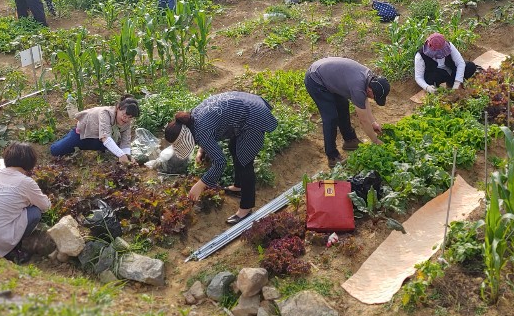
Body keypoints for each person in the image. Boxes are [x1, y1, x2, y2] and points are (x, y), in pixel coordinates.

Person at [164, 91, 278, 225]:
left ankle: (246, 209)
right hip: (248, 105)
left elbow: (220, 163)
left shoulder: (201, 131)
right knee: (233, 147)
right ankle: (238, 186)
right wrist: (202, 150)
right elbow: (208, 131)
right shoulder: (191, 119)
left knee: (244, 162)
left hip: (253, 117)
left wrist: (200, 185)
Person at [304, 57, 390, 168]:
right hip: (315, 79)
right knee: (331, 117)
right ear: (370, 90)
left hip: (329, 77)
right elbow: (363, 120)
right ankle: (332, 156)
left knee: (343, 106)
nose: (374, 99)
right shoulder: (358, 87)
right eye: (375, 97)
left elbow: (364, 101)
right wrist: (375, 140)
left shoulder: (370, 79)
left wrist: (373, 123)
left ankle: (350, 140)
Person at [49, 95, 140, 164]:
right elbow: (105, 137)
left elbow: (125, 142)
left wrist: (127, 157)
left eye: (130, 117)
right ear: (118, 108)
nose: (126, 119)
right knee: (55, 151)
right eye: (124, 115)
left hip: (99, 140)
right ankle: (68, 138)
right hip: (82, 136)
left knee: (112, 147)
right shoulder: (105, 113)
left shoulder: (127, 122)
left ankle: (101, 148)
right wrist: (121, 154)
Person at [414, 33, 479, 93]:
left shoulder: (449, 45)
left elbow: (460, 63)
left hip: (451, 71)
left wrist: (458, 82)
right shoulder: (420, 56)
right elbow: (418, 77)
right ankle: (436, 89)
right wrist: (427, 87)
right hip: (436, 76)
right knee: (429, 81)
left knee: (470, 66)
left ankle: (451, 83)